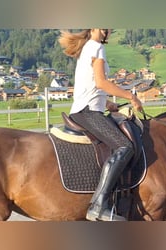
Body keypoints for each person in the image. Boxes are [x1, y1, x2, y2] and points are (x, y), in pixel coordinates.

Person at [58, 29, 142, 221]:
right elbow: (101, 82)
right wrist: (131, 96)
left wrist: (108, 104)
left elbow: (91, 86)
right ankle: (98, 205)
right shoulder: (96, 47)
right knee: (125, 146)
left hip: (88, 108)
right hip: (87, 112)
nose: (107, 30)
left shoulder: (88, 47)